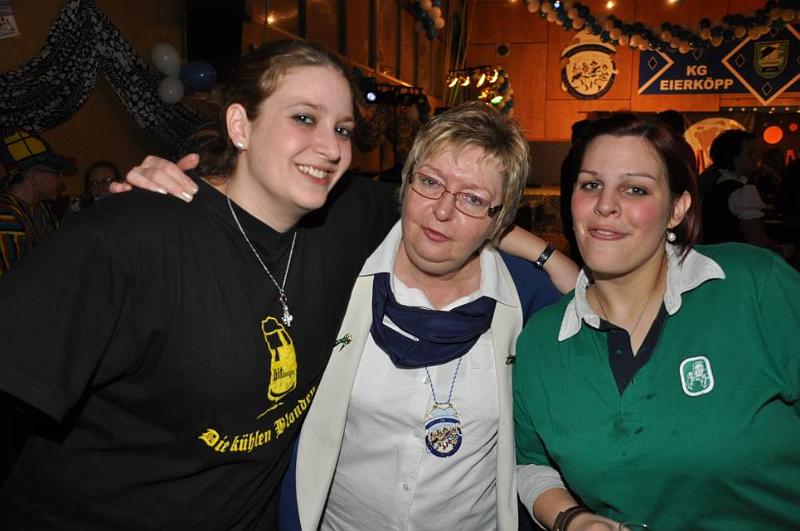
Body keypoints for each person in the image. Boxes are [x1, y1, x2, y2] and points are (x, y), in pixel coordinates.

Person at [117, 104, 580, 530]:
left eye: (473, 200)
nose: (442, 210)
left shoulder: (530, 301)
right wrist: (164, 204)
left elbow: (562, 440)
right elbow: (240, 223)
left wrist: (555, 262)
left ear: (500, 220)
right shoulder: (334, 265)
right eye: (430, 182)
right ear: (406, 183)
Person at [0, 40, 398, 530]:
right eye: (303, 118)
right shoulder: (128, 237)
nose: (332, 148)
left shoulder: (346, 220)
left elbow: (445, 199)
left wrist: (507, 240)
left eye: (343, 129)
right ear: (240, 126)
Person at [513, 113, 800, 530]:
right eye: (591, 185)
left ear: (676, 209)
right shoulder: (541, 342)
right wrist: (573, 519)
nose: (605, 205)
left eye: (635, 189)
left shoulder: (755, 287)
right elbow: (532, 464)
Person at [700, 129, 791, 258]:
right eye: (751, 152)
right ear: (735, 157)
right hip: (738, 259)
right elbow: (756, 239)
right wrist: (783, 250)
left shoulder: (713, 185)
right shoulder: (743, 192)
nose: (757, 157)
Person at [0, 129, 74, 274]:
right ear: (33, 176)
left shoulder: (42, 210)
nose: (61, 181)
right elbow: (10, 280)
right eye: (56, 174)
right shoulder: (5, 217)